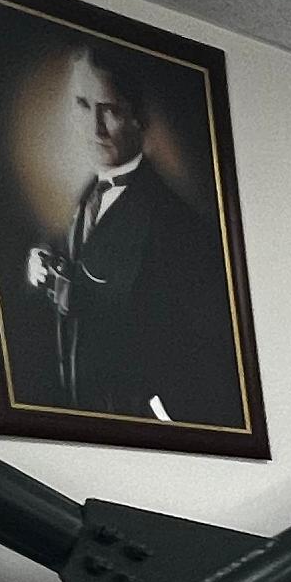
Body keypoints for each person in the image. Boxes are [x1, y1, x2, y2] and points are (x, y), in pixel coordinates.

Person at [19, 47, 247, 431]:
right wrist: (40, 263)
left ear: (138, 118)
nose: (95, 128)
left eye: (110, 110)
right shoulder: (84, 200)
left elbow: (192, 346)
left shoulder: (176, 223)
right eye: (83, 105)